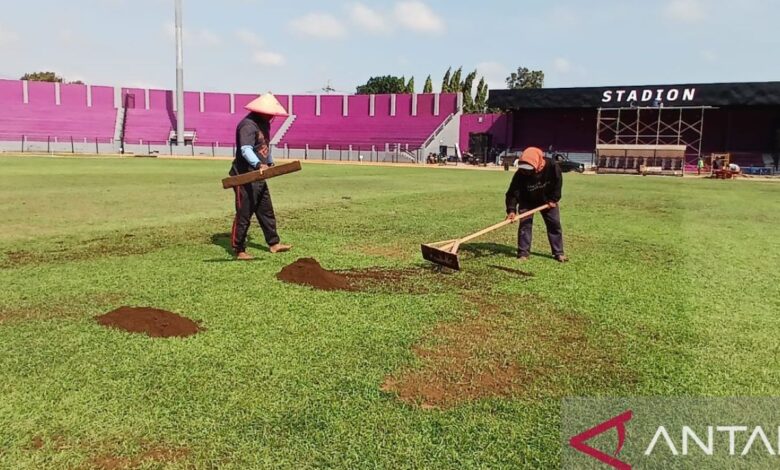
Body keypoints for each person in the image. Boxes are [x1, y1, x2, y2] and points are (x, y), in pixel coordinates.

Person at [229, 93, 291, 261]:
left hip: (259, 175)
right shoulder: (247, 125)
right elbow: (246, 149)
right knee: (244, 212)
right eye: (270, 113)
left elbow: (265, 147)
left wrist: (269, 161)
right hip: (244, 175)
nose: (272, 116)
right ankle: (239, 249)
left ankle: (274, 243)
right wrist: (258, 165)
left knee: (266, 210)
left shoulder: (264, 124)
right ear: (261, 111)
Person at [505, 146, 567, 263]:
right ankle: (523, 253)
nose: (526, 172)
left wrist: (553, 199)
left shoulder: (552, 166)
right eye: (523, 168)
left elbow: (557, 184)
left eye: (529, 169)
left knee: (554, 224)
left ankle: (558, 253)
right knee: (525, 225)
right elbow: (512, 193)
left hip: (547, 201)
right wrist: (511, 210)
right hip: (527, 201)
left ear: (538, 162)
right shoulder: (520, 174)